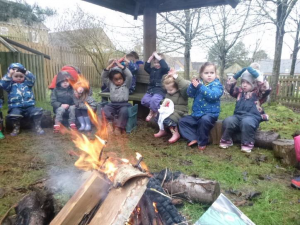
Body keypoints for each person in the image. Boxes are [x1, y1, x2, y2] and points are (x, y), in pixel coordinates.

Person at [219, 64, 271, 153]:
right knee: (228, 121)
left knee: (247, 122)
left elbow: (265, 89)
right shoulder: (240, 92)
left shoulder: (258, 94)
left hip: (252, 117)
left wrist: (258, 77)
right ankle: (227, 139)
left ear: (254, 84)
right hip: (238, 116)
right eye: (243, 82)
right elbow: (229, 89)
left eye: (248, 83)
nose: (244, 85)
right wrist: (235, 76)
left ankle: (247, 143)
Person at [179, 62, 223, 151]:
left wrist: (200, 87)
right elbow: (190, 94)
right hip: (197, 113)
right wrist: (192, 86)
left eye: (212, 73)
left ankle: (202, 142)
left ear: (215, 74)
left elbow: (213, 95)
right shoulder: (200, 84)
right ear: (201, 75)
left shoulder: (217, 85)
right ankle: (193, 138)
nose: (209, 75)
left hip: (210, 114)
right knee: (182, 122)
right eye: (206, 73)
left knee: (204, 121)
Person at [0, 63, 44, 136]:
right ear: (11, 77)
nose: (19, 78)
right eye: (16, 76)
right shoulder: (9, 85)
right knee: (14, 114)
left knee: (37, 112)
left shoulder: (28, 83)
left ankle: (37, 126)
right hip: (15, 107)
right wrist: (9, 74)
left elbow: (32, 79)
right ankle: (16, 128)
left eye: (21, 76)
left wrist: (25, 71)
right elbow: (2, 84)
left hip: (29, 106)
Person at [154, 68, 190, 143]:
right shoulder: (168, 93)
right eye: (167, 90)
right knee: (159, 116)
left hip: (179, 112)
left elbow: (184, 86)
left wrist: (175, 76)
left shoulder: (182, 93)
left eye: (170, 90)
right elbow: (168, 101)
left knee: (168, 119)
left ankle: (175, 133)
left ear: (177, 87)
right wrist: (162, 103)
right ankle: (162, 130)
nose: (168, 92)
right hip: (170, 111)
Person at [101, 59, 133, 134]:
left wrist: (121, 66)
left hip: (124, 104)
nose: (119, 81)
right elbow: (103, 77)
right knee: (105, 109)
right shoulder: (110, 84)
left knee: (124, 111)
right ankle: (110, 124)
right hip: (113, 104)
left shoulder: (126, 84)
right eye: (116, 79)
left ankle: (119, 127)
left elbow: (130, 75)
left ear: (123, 78)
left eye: (120, 78)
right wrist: (109, 67)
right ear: (112, 80)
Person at [142, 51, 170, 121]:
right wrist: (150, 58)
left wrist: (157, 56)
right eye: (155, 62)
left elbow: (165, 66)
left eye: (158, 62)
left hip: (160, 90)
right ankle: (155, 110)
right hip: (151, 89)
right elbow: (146, 67)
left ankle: (152, 112)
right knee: (144, 101)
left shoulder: (164, 70)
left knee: (154, 100)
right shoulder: (152, 70)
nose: (156, 64)